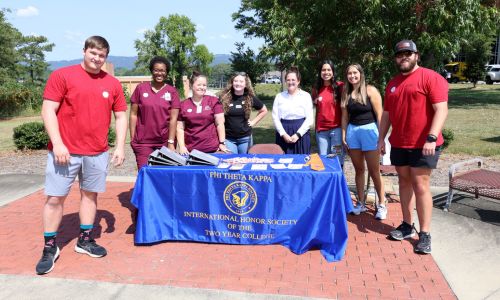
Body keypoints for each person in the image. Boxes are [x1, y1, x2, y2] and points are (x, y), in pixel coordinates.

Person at [36, 36, 128, 275]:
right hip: (64, 152)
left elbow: (120, 116)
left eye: (102, 55)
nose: (97, 59)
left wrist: (119, 146)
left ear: (106, 58)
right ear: (84, 51)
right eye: (93, 53)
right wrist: (57, 143)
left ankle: (84, 240)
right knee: (55, 199)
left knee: (90, 196)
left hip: (97, 152)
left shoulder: (113, 83)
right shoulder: (62, 75)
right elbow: (48, 110)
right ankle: (49, 247)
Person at [379, 40, 448, 254]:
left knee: (420, 186)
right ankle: (407, 225)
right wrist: (381, 138)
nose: (404, 57)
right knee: (404, 183)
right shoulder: (392, 83)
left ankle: (425, 233)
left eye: (408, 53)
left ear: (416, 55)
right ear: (395, 59)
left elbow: (441, 110)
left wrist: (431, 137)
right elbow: (387, 114)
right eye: (400, 54)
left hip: (423, 144)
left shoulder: (430, 77)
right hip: (399, 142)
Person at [341, 64, 387, 220]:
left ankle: (381, 203)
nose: (352, 76)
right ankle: (360, 203)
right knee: (359, 170)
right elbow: (345, 117)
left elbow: (380, 115)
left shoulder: (371, 90)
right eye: (349, 73)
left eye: (355, 73)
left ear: (361, 74)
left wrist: (382, 138)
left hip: (370, 132)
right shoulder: (346, 93)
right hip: (353, 132)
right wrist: (343, 134)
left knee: (374, 171)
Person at [129, 56, 180, 169]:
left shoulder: (172, 92)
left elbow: (173, 119)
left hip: (164, 143)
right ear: (152, 71)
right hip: (143, 143)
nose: (159, 73)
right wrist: (133, 138)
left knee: (163, 176)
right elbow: (133, 114)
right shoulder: (141, 88)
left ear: (167, 72)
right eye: (156, 70)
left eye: (162, 70)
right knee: (145, 174)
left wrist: (171, 142)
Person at [177, 71, 229, 154]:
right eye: (199, 85)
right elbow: (180, 128)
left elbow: (220, 124)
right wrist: (182, 146)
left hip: (212, 150)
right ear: (191, 85)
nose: (202, 87)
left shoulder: (214, 101)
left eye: (204, 85)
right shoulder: (183, 105)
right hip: (191, 151)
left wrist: (222, 143)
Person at [219, 72, 268, 153]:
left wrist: (253, 122)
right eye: (236, 81)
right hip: (229, 139)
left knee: (245, 162)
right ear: (232, 82)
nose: (238, 83)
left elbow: (264, 110)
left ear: (245, 84)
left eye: (241, 81)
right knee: (232, 162)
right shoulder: (224, 97)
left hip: (245, 139)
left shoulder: (249, 97)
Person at [272, 67, 313, 154]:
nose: (290, 82)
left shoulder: (306, 96)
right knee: (282, 163)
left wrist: (298, 134)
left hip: (301, 132)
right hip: (283, 132)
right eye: (288, 80)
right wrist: (283, 134)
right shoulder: (279, 97)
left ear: (298, 81)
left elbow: (309, 119)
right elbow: (275, 118)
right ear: (285, 81)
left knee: (302, 163)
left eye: (293, 80)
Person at [312, 60, 345, 164]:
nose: (326, 72)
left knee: (337, 160)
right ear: (320, 72)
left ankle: (338, 180)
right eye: (323, 70)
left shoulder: (340, 86)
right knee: (324, 161)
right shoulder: (316, 88)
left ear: (333, 71)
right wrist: (316, 129)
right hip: (321, 132)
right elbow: (316, 110)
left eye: (328, 70)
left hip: (337, 130)